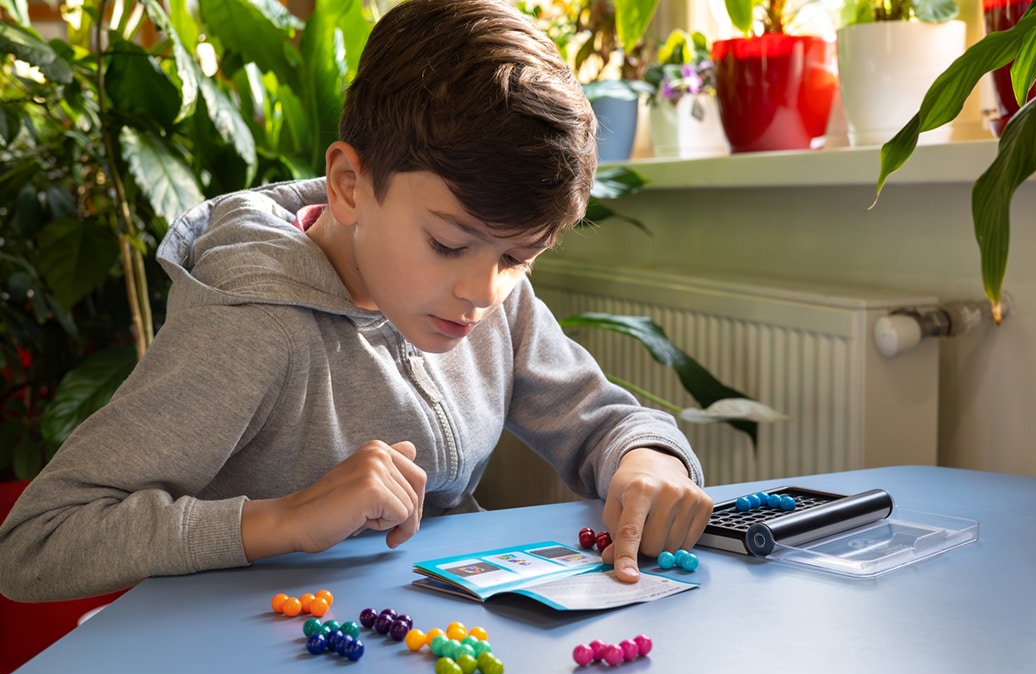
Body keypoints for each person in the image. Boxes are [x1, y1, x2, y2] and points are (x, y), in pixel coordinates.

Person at [0, 0, 713, 602]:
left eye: (517, 257)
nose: (482, 293)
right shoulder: (253, 328)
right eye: (447, 243)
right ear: (348, 185)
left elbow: (601, 421)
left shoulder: (493, 289)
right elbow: (35, 543)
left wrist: (648, 461)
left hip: (419, 642)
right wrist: (282, 519)